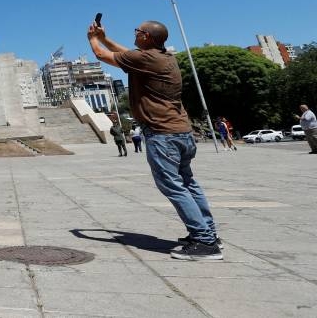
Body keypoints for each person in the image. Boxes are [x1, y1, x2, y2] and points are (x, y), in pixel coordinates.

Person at [88, 19, 222, 261]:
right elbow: (125, 53)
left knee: (172, 185)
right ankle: (209, 234)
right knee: (188, 183)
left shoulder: (145, 59)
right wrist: (105, 36)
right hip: (181, 130)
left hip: (163, 133)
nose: (135, 34)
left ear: (147, 37)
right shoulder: (164, 57)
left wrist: (93, 39)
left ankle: (204, 242)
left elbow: (102, 54)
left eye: (137, 31)